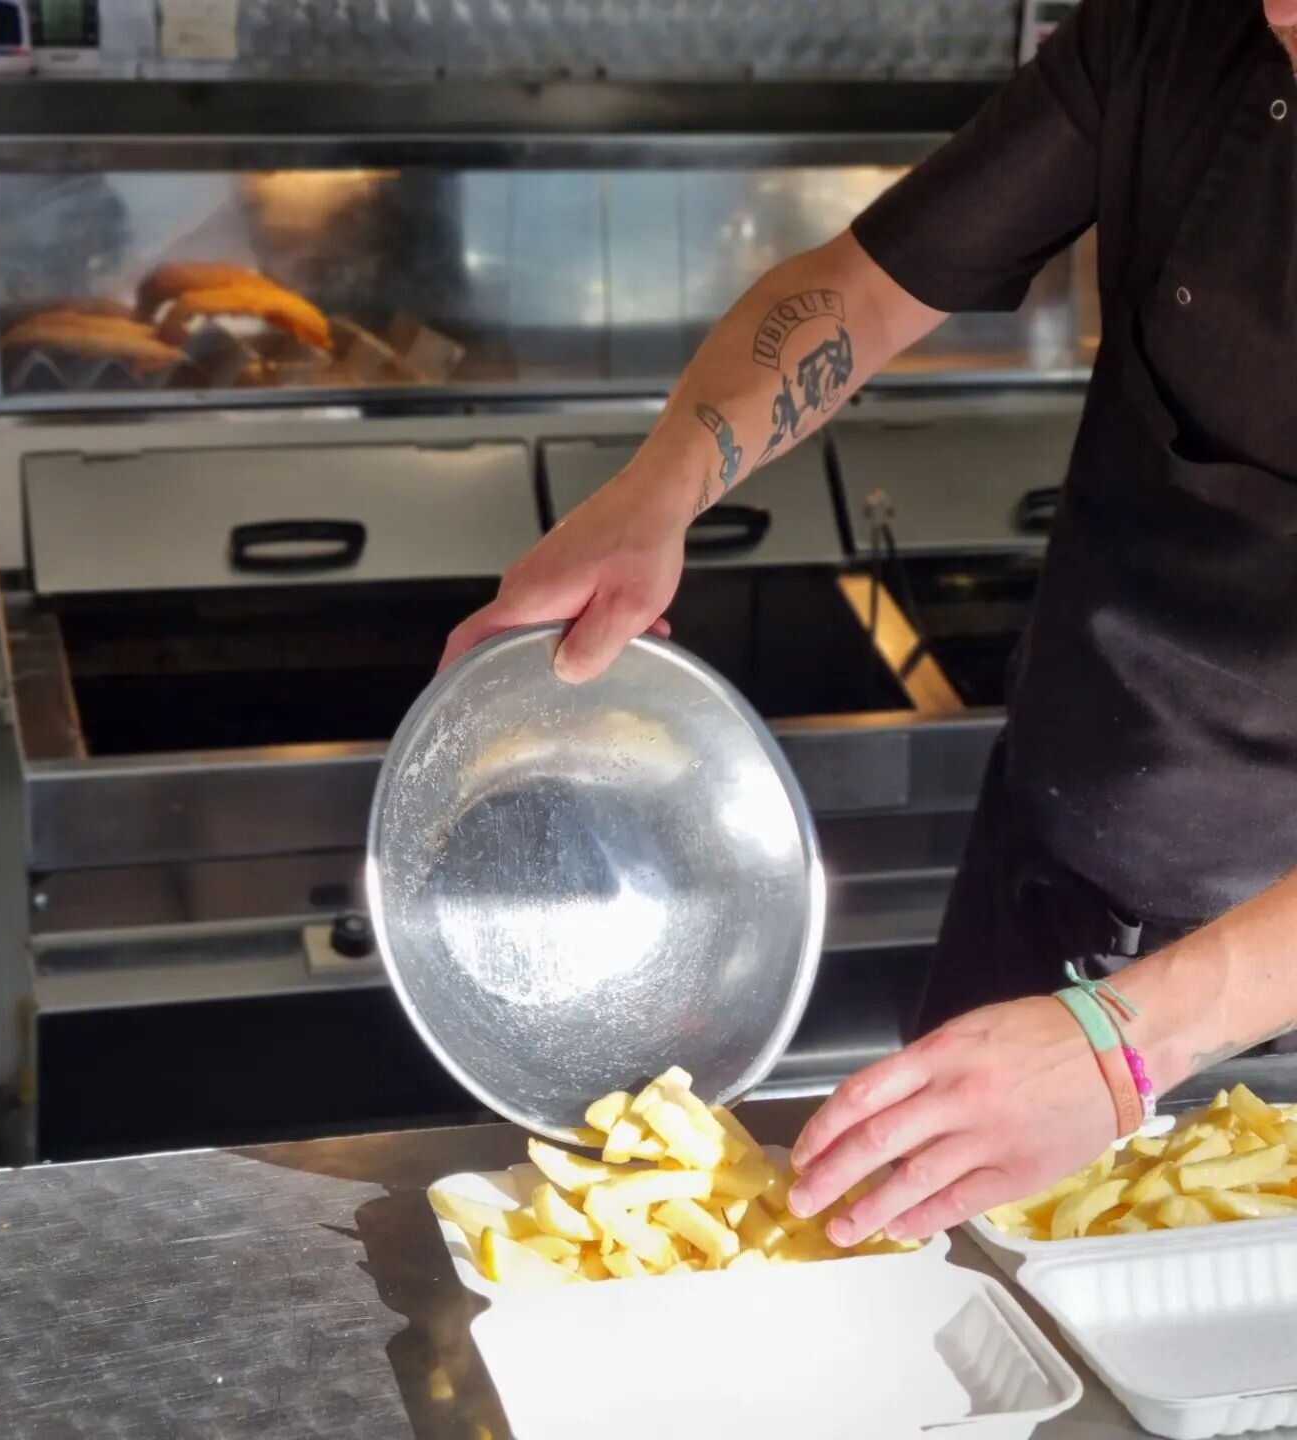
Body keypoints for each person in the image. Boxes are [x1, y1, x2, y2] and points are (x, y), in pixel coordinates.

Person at [442, 0, 1297, 1244]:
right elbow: (861, 288)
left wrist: (1124, 1044)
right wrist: (658, 489)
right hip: (1053, 887)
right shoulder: (1173, 35)